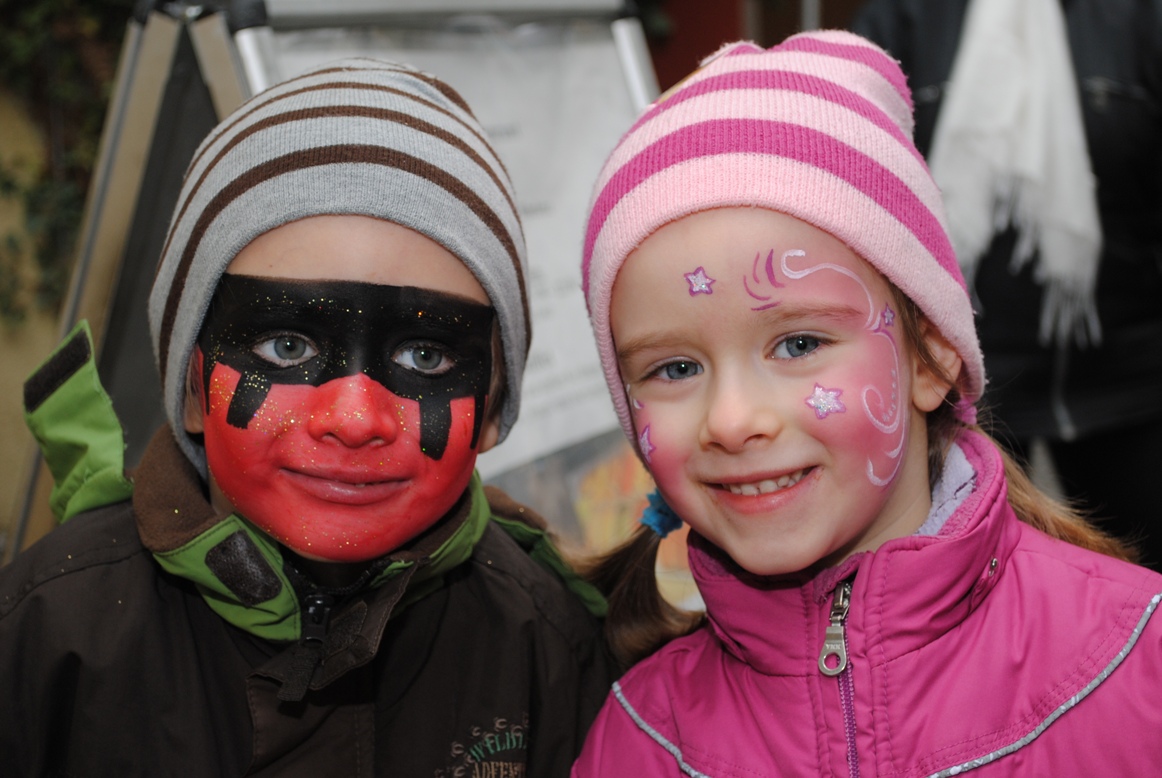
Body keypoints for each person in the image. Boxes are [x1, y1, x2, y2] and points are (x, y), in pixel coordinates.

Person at [571, 31, 1162, 776]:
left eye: (798, 344)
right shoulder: (641, 740)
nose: (732, 419)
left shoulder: (1138, 663)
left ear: (932, 356)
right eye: (676, 367)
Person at [2, 58, 613, 776]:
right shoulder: (47, 630)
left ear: (493, 410)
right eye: (286, 346)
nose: (354, 419)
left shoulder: (547, 644)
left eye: (425, 357)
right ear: (192, 385)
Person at [849, 0, 1162, 569]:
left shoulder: (1137, 15)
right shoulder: (906, 15)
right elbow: (862, 175)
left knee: (1140, 575)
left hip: (1128, 381)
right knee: (973, 585)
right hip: (959, 390)